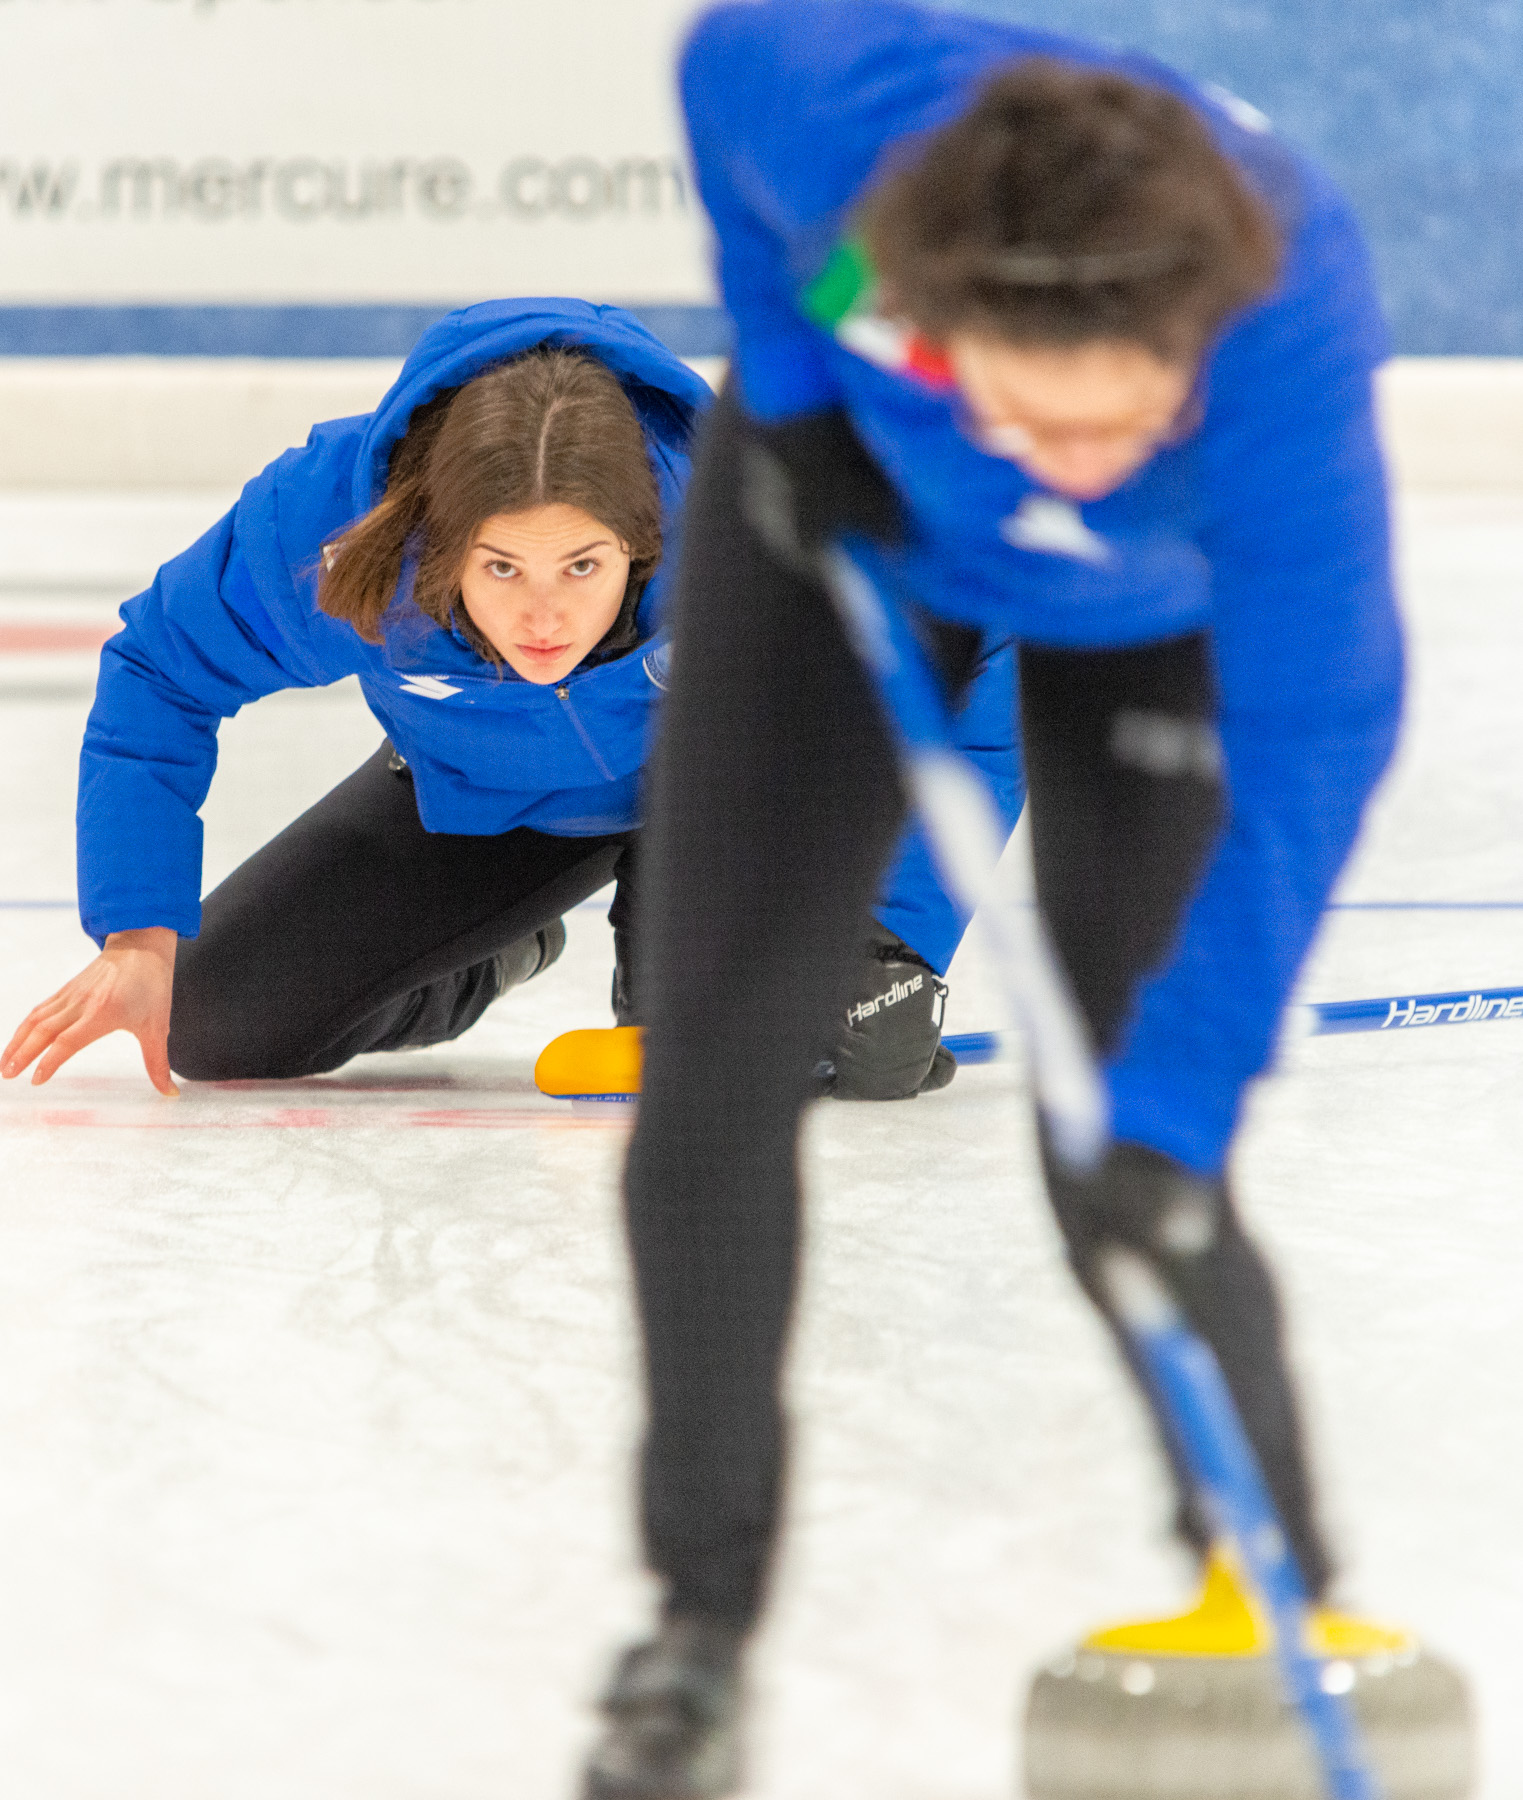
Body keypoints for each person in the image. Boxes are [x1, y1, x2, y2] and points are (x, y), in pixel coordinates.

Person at [580, 5, 1404, 1795]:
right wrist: (796, 395)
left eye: (1116, 428)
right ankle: (695, 1628)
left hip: (1158, 626)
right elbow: (719, 65)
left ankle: (1264, 1578)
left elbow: (1317, 739)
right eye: (1029, 418)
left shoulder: (1281, 323)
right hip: (852, 524)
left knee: (1127, 1136)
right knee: (713, 1075)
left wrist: (1181, 1088)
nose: (1068, 472)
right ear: (935, 321)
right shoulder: (838, 127)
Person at [0, 296, 1014, 1101]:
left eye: (582, 566)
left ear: (642, 540)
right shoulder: (334, 527)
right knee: (209, 1023)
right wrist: (136, 935)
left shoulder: (754, 504)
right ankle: (501, 951)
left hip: (727, 780)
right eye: (499, 568)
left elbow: (988, 639)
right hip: (489, 794)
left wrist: (895, 941)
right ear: (439, 544)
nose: (543, 617)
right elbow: (160, 672)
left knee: (700, 1058)